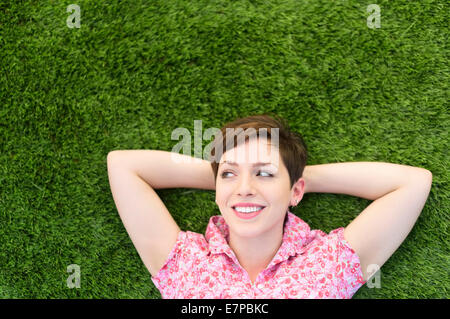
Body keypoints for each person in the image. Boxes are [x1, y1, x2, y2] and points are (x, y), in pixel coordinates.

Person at [107, 113, 433, 298]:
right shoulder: (184, 261)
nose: (245, 189)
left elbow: (412, 183)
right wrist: (230, 176)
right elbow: (122, 165)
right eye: (229, 174)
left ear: (296, 191)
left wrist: (293, 178)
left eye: (264, 173)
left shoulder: (329, 263)